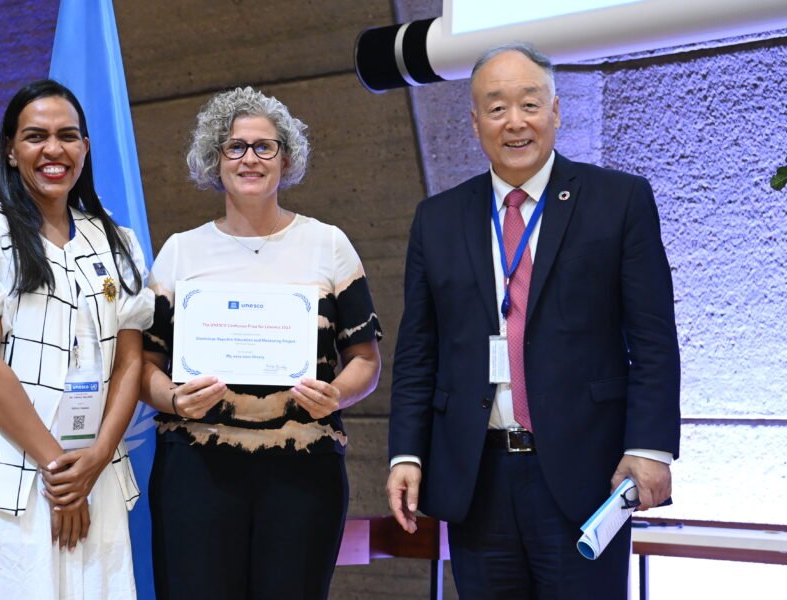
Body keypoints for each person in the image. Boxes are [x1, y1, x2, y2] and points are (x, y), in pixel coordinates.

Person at [386, 44, 680, 599]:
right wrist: (406, 452)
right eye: (496, 108)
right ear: (475, 122)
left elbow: (654, 339)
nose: (515, 122)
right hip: (476, 477)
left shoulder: (618, 200)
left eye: (529, 103)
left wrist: (651, 446)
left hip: (588, 473)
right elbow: (418, 351)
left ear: (556, 111)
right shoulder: (437, 219)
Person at [0, 79, 154, 599]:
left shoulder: (118, 241)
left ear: (85, 148)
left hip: (93, 472)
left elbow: (129, 363)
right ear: (10, 148)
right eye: (35, 136)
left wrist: (93, 461)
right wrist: (58, 470)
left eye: (67, 136)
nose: (53, 150)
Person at [140, 86, 383, 600]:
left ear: (285, 159)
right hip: (196, 468)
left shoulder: (329, 244)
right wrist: (174, 399)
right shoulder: (181, 252)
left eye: (264, 146)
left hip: (303, 470)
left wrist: (338, 394)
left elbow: (365, 360)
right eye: (235, 147)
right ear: (215, 159)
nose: (249, 158)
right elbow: (144, 365)